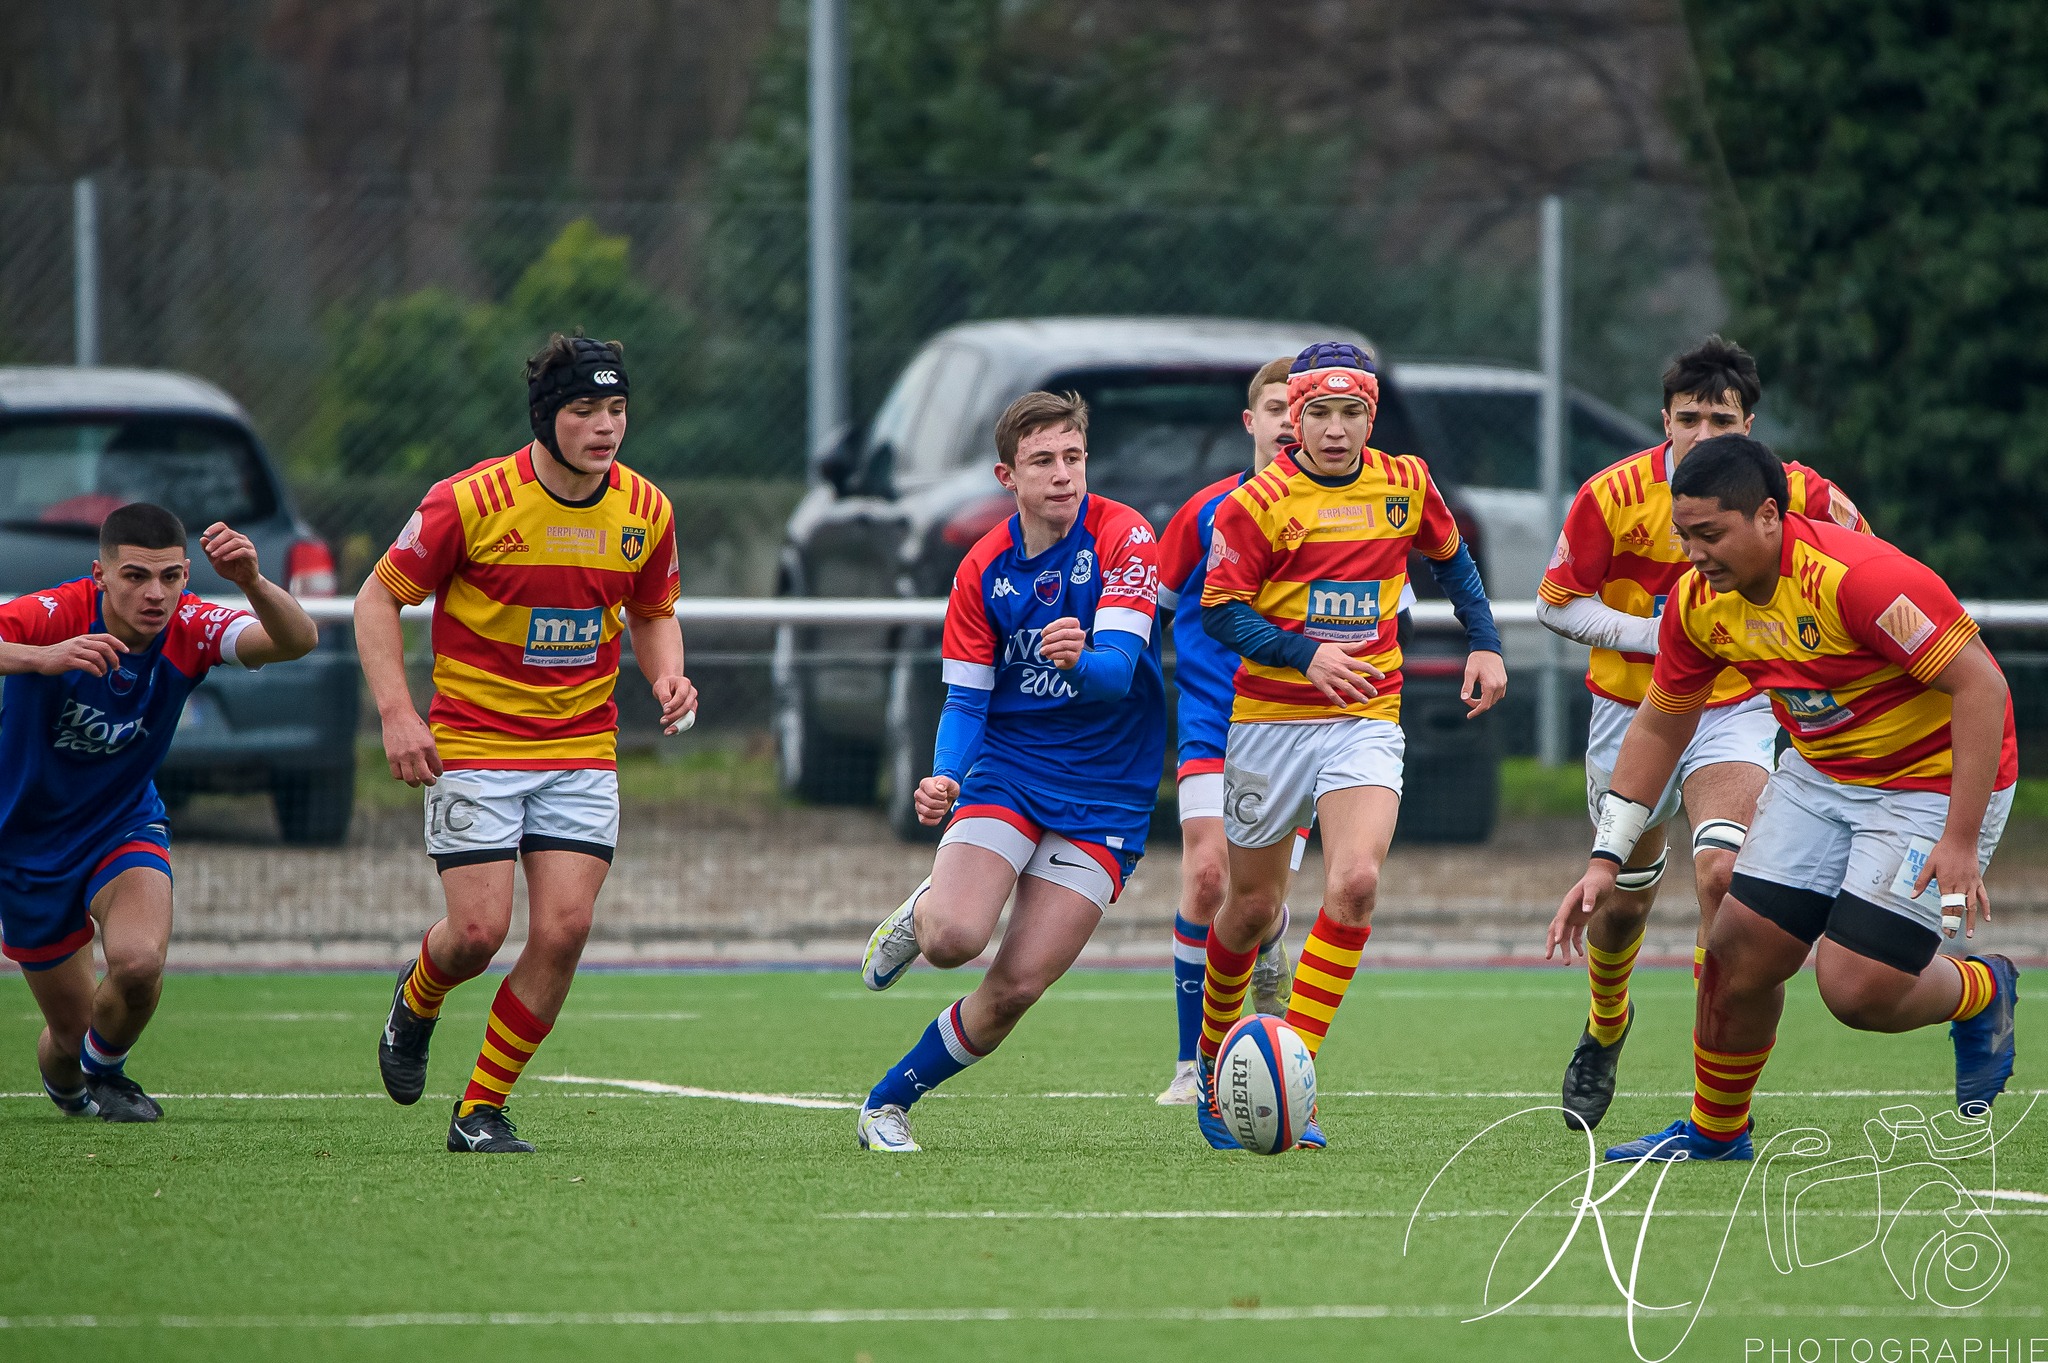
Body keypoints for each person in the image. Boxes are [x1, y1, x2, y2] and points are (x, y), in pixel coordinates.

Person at [1552, 435, 2019, 1164]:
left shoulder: (1854, 578)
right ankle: (1716, 1133)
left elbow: (1982, 685)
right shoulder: (1700, 604)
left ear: (1769, 515)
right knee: (1738, 951)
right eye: (1686, 536)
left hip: (1929, 782)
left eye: (1711, 534)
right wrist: (1606, 856)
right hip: (1823, 774)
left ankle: (1979, 989)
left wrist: (1959, 842)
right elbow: (1661, 720)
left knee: (1856, 989)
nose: (1695, 554)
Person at [360, 332, 695, 1154]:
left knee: (564, 929)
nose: (606, 426)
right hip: (473, 740)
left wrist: (667, 675)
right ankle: (418, 999)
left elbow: (652, 611)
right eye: (585, 409)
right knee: (476, 933)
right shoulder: (468, 501)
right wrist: (399, 714)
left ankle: (481, 1108)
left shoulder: (646, 510)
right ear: (547, 417)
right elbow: (376, 599)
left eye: (616, 409)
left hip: (581, 745)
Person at [1536, 335, 1871, 1132]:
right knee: (1621, 900)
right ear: (1665, 420)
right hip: (1634, 709)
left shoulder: (1795, 493)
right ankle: (1607, 1023)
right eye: (1689, 417)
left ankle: (1710, 1077)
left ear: (1749, 424)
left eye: (1723, 419)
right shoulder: (1613, 494)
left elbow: (1865, 571)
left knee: (1724, 874)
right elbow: (1555, 602)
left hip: (1739, 708)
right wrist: (1663, 637)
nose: (1705, 434)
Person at [1195, 342, 1506, 1150]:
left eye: (1352, 413)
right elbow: (1220, 611)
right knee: (1253, 906)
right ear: (1293, 418)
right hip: (1269, 720)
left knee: (1357, 882)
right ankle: (1211, 1061)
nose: (1336, 429)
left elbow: (1451, 557)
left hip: (1367, 714)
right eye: (1320, 414)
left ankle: (1285, 1070)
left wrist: (1485, 639)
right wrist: (1303, 653)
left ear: (1372, 415)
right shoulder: (1257, 503)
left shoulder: (1404, 482)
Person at [855, 390, 1167, 1152]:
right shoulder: (982, 569)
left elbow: (1119, 673)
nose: (1063, 475)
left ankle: (885, 1104)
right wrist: (944, 775)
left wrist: (1081, 657)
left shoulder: (1126, 537)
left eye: (1073, 457)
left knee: (1017, 987)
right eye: (1042, 462)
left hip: (1108, 791)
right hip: (1012, 769)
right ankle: (929, 908)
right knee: (956, 936)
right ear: (1008, 475)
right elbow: (966, 701)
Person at [0, 503, 317, 1120]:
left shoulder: (192, 626)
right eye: (136, 576)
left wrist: (252, 581)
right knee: (70, 1037)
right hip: (26, 842)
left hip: (121, 823)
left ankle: (106, 1074)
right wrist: (42, 656)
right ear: (100, 575)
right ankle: (72, 1079)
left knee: (139, 965)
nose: (155, 593)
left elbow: (296, 640)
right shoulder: (54, 614)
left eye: (170, 577)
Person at [1151, 356, 1307, 1106]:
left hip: (1296, 726)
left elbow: (1382, 617)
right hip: (1214, 723)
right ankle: (1191, 1063)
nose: (1287, 421)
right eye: (1274, 407)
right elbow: (1150, 610)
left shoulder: (1348, 515)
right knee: (1208, 875)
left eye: (1298, 408)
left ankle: (1272, 937)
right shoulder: (1204, 512)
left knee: (1258, 897)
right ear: (1252, 422)